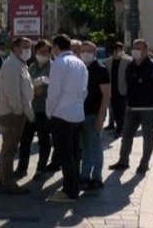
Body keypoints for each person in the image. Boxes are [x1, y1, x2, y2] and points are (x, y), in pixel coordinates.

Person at [110, 39, 153, 175]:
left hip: (149, 109)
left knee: (147, 137)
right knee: (126, 135)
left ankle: (144, 163)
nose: (136, 51)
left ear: (146, 51)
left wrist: (152, 99)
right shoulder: (130, 66)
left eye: (139, 48)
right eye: (134, 48)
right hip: (132, 107)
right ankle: (123, 161)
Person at [45, 34, 88, 202]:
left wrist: (50, 112)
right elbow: (85, 91)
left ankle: (69, 191)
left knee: (65, 154)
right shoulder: (80, 63)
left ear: (56, 47)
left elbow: (53, 92)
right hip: (78, 114)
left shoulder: (59, 63)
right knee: (75, 154)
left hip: (62, 114)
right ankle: (74, 187)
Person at [0, 37, 35, 194]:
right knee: (10, 150)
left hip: (13, 112)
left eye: (29, 47)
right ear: (15, 49)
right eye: (25, 47)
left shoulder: (19, 64)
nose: (28, 50)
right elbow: (13, 94)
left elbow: (24, 87)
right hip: (11, 113)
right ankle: (8, 184)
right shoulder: (12, 65)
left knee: (8, 148)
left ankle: (2, 178)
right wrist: (19, 112)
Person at [17, 39, 53, 180]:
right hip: (31, 110)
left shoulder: (53, 67)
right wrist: (34, 88)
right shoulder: (31, 67)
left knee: (44, 141)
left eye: (45, 51)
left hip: (45, 110)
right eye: (39, 51)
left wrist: (34, 89)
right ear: (35, 52)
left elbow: (43, 90)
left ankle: (41, 169)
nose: (42, 54)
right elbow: (28, 88)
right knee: (25, 141)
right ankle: (22, 168)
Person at [79, 41, 110, 191]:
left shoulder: (100, 69)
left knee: (95, 146)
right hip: (80, 114)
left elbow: (106, 95)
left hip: (93, 114)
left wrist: (101, 116)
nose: (85, 53)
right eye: (83, 50)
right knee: (85, 147)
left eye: (88, 51)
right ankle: (84, 176)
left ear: (94, 53)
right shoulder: (79, 68)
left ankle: (96, 177)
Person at [103, 42, 132, 138]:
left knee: (121, 111)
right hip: (112, 90)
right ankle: (116, 126)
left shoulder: (128, 61)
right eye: (115, 50)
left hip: (123, 90)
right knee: (114, 110)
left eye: (119, 50)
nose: (117, 52)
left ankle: (120, 129)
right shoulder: (107, 62)